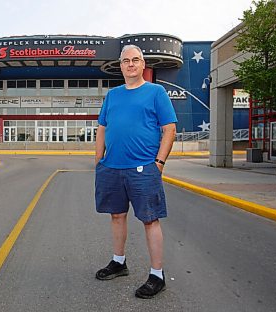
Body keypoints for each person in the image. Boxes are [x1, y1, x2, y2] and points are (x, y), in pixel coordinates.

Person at [94, 44, 177, 299]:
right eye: (126, 60)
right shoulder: (113, 95)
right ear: (120, 66)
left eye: (136, 60)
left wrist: (159, 163)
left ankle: (157, 275)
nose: (131, 64)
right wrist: (99, 160)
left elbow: (169, 128)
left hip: (144, 168)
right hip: (112, 168)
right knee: (116, 216)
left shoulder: (156, 92)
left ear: (143, 64)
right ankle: (119, 262)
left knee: (150, 220)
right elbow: (102, 127)